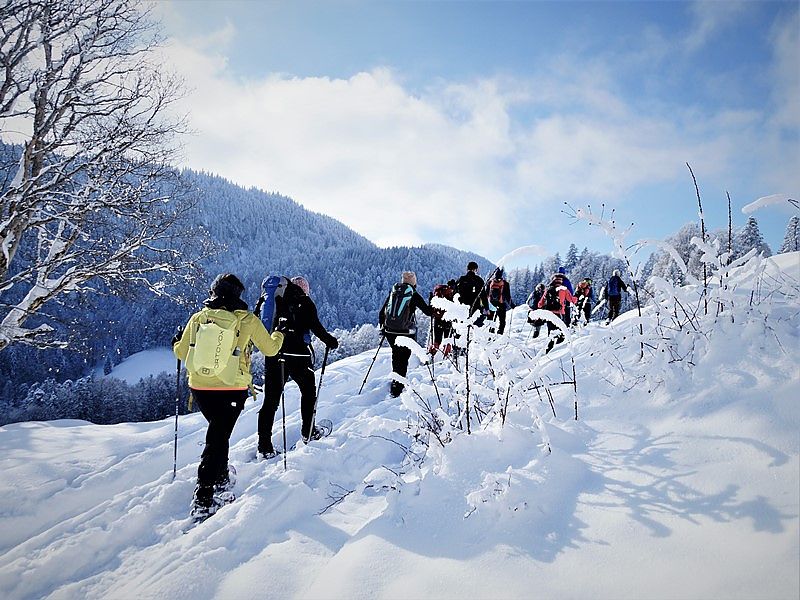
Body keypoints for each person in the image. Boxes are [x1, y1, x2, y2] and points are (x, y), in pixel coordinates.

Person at [173, 273, 285, 521]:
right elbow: (271, 349)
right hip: (231, 388)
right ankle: (204, 497)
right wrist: (279, 333)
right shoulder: (247, 320)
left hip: (200, 387)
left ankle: (221, 477)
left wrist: (175, 341)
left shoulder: (199, 317)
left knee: (218, 433)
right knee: (217, 437)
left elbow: (181, 352)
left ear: (214, 292)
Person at [258, 276, 338, 457]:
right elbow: (316, 327)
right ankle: (308, 432)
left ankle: (264, 446)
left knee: (270, 401)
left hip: (274, 354)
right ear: (304, 289)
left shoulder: (275, 299)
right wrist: (330, 341)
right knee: (308, 393)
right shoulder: (305, 302)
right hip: (299, 355)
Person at [379, 271, 434, 397]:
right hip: (404, 332)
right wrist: (432, 303)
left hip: (390, 331)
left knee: (396, 355)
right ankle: (398, 387)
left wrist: (383, 327)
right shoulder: (413, 294)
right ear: (414, 282)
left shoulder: (394, 291)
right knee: (403, 358)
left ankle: (396, 380)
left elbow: (382, 311)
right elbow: (427, 312)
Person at [538, 273, 577, 353]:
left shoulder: (548, 289)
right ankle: (557, 351)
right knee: (561, 332)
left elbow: (540, 303)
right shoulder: (564, 289)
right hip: (560, 313)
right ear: (561, 281)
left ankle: (548, 351)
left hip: (550, 314)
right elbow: (572, 300)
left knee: (550, 333)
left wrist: (540, 306)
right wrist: (577, 297)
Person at [455, 261, 489, 325]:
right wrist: (486, 308)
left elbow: (455, 294)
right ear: (475, 270)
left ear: (467, 269)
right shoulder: (479, 280)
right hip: (476, 308)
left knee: (462, 328)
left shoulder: (461, 279)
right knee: (475, 329)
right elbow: (483, 295)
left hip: (462, 308)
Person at [428, 279, 456, 356]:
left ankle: (432, 354)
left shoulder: (438, 294)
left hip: (437, 320)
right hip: (448, 321)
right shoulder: (452, 295)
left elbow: (431, 307)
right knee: (448, 340)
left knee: (437, 340)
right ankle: (447, 356)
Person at [486, 267, 515, 334]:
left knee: (491, 320)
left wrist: (485, 305)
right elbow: (508, 296)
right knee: (502, 321)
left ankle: (490, 334)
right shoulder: (505, 284)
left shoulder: (490, 282)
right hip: (501, 304)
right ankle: (500, 334)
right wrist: (512, 305)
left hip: (491, 304)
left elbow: (486, 294)